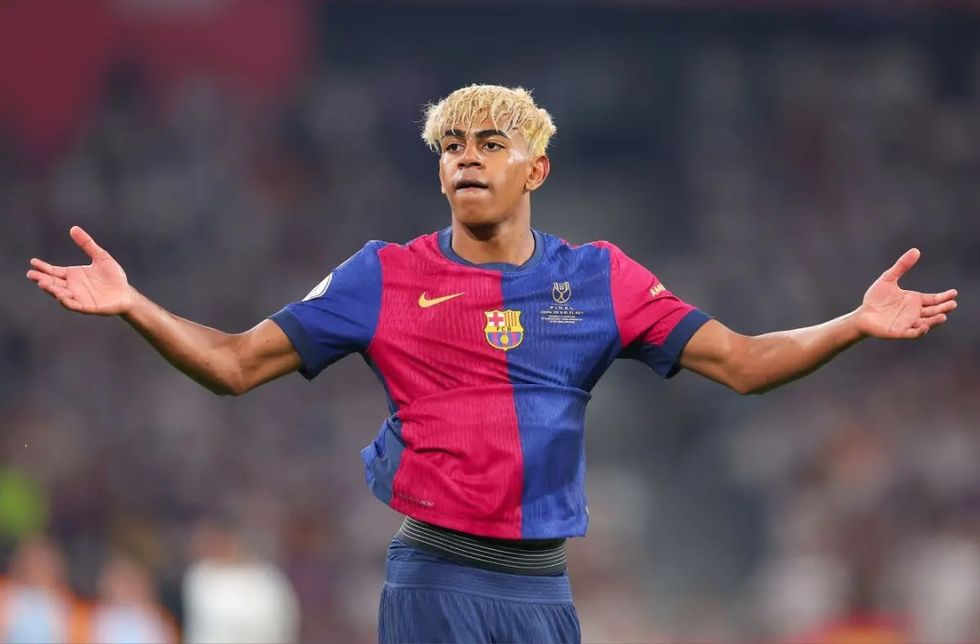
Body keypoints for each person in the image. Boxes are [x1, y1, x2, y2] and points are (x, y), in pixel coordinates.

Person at [25, 84, 958, 643]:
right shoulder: (382, 275)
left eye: (489, 144)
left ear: (535, 169)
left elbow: (746, 364)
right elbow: (233, 365)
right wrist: (136, 305)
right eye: (452, 147)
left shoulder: (600, 278)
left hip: (542, 588)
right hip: (434, 578)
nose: (466, 159)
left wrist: (852, 323)